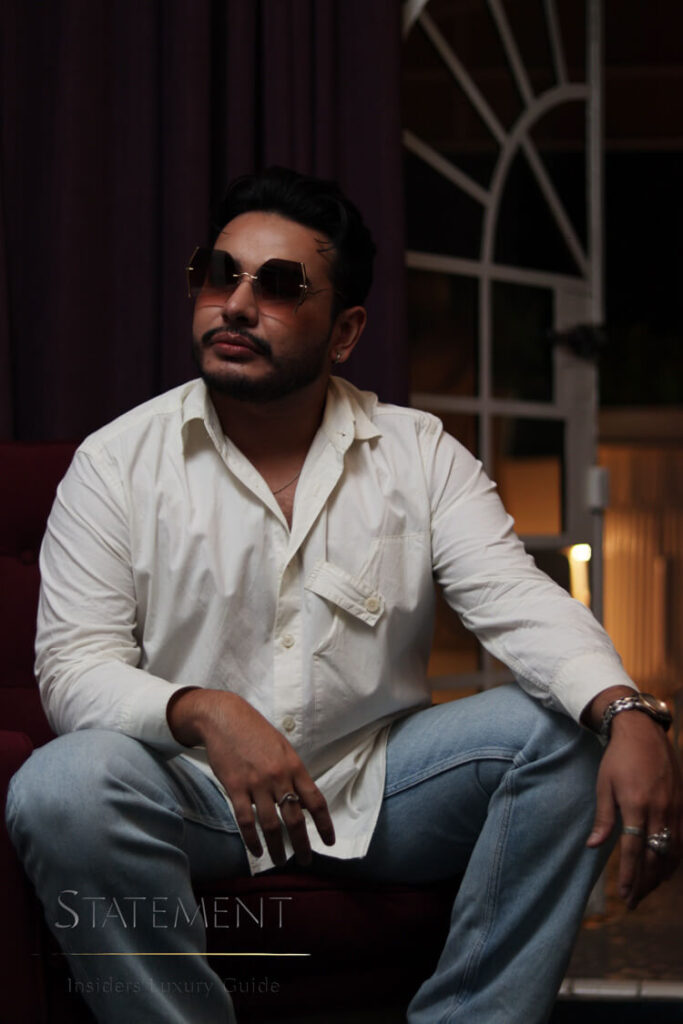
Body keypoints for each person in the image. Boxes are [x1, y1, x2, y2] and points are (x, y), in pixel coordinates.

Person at [6, 166, 681, 1024]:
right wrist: (205, 711)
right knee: (61, 785)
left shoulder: (417, 454)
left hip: (377, 787)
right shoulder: (115, 464)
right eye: (219, 274)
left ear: (345, 331)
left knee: (564, 732)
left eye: (279, 285)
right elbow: (73, 669)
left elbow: (516, 599)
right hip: (193, 794)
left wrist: (625, 710)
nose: (235, 304)